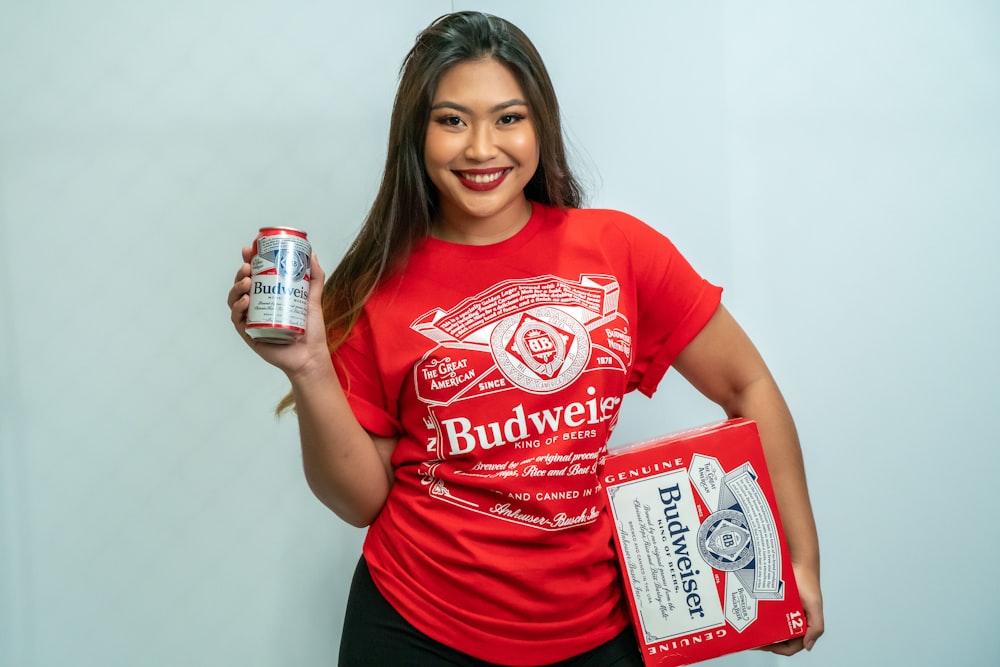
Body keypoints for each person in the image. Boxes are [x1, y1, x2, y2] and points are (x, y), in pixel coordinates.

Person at [227, 11, 824, 667]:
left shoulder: (619, 250)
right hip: (414, 626)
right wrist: (308, 365)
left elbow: (748, 384)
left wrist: (796, 563)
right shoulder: (375, 285)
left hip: (597, 629)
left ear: (540, 124)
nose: (481, 147)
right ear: (416, 135)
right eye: (452, 120)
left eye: (508, 118)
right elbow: (361, 499)